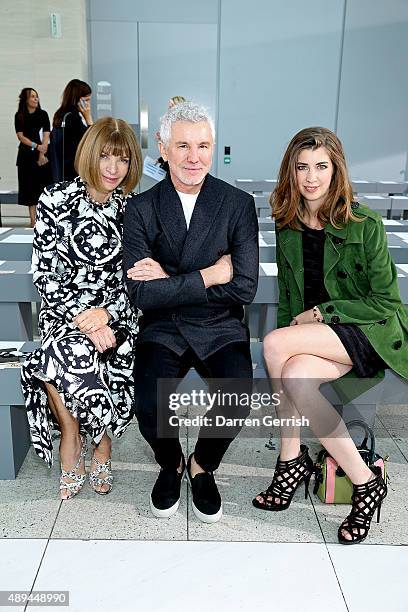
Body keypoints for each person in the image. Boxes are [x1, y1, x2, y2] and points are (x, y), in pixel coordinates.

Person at [252, 126, 408, 544]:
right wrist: (296, 329)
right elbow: (288, 300)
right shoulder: (287, 225)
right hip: (318, 339)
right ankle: (366, 482)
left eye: (321, 166)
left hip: (366, 332)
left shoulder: (365, 223)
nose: (311, 177)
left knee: (272, 343)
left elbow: (386, 303)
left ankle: (290, 460)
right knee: (295, 374)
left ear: (336, 170)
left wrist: (325, 312)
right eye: (302, 167)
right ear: (292, 171)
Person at [123, 101, 259, 523]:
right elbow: (141, 296)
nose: (193, 157)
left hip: (220, 326)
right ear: (162, 149)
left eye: (202, 145)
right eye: (182, 145)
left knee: (236, 394)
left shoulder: (237, 203)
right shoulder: (141, 207)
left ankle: (202, 463)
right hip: (162, 327)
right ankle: (171, 462)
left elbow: (244, 286)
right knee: (147, 403)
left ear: (213, 147)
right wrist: (207, 275)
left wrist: (169, 279)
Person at [21, 117, 142, 500]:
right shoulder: (54, 200)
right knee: (64, 349)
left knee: (112, 349)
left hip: (116, 312)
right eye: (105, 156)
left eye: (122, 160)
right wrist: (82, 319)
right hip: (63, 310)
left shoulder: (132, 210)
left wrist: (106, 313)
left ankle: (101, 441)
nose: (112, 168)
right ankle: (73, 435)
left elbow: (138, 278)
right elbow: (43, 274)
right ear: (90, 154)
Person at [14, 88, 51, 227]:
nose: (36, 99)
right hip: (25, 156)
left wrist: (42, 152)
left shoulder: (43, 114)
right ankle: (32, 221)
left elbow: (47, 133)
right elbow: (20, 136)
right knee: (29, 189)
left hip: (42, 155)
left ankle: (44, 220)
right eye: (33, 97)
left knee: (42, 187)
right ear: (26, 99)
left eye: (37, 96)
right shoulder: (19, 115)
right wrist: (36, 146)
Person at [50, 79, 93, 182]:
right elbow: (92, 140)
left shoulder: (60, 114)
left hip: (61, 171)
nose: (88, 104)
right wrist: (88, 117)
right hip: (72, 171)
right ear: (77, 99)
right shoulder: (72, 117)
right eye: (86, 100)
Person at [156, 95, 186, 173]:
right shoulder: (170, 123)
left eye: (172, 105)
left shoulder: (185, 124)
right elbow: (170, 146)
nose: (169, 108)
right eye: (169, 106)